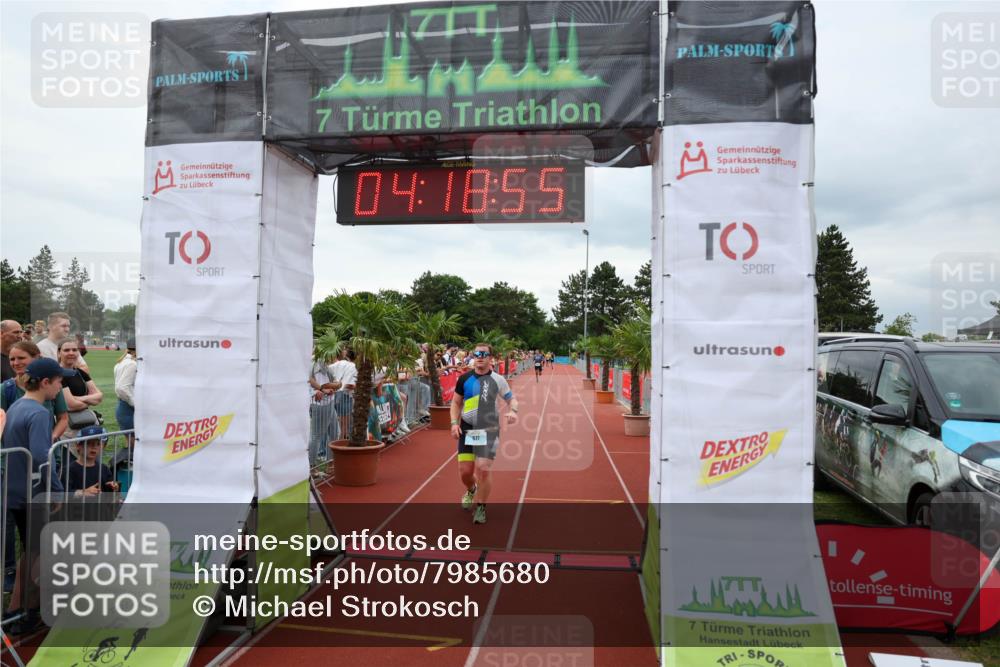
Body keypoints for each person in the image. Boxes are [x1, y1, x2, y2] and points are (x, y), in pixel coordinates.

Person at [1, 357, 72, 634]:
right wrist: (56, 490)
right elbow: (44, 457)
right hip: (34, 494)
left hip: (16, 490)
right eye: (59, 382)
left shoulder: (18, 405)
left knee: (31, 551)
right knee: (40, 553)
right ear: (45, 383)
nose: (61, 386)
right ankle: (29, 611)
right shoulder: (40, 413)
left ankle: (17, 609)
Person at [450, 343, 518, 525]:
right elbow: (456, 403)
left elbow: (512, 399)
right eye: (477, 353)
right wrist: (454, 423)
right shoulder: (464, 379)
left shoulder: (498, 379)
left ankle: (481, 507)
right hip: (467, 429)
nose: (480, 356)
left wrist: (513, 411)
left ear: (490, 358)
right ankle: (471, 489)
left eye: (484, 354)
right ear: (473, 356)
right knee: (465, 472)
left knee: (483, 469)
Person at [1, 341, 70, 441]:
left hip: (49, 452)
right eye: (12, 359)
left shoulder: (49, 385)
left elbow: (63, 418)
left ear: (37, 358)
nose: (16, 363)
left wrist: (51, 438)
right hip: (18, 453)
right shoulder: (5, 389)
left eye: (21, 358)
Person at [57, 337, 103, 436]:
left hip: (85, 422)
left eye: (74, 350)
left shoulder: (81, 372)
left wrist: (78, 398)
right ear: (58, 353)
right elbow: (71, 405)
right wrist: (89, 402)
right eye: (66, 350)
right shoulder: (57, 374)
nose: (71, 353)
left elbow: (99, 397)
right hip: (67, 428)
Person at [65, 425, 119, 496]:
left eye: (98, 444)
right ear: (78, 446)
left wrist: (114, 487)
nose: (94, 447)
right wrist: (82, 492)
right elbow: (62, 494)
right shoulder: (68, 470)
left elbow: (110, 493)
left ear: (104, 446)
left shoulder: (104, 469)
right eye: (88, 443)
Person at [308, 353, 340, 469]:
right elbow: (308, 381)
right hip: (319, 405)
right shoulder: (312, 363)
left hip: (329, 402)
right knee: (316, 436)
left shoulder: (327, 367)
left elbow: (337, 383)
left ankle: (330, 463)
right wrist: (318, 390)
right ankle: (311, 466)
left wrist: (331, 386)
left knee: (335, 432)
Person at [329, 349, 357, 441]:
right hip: (345, 395)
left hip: (333, 394)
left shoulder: (338, 364)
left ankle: (334, 444)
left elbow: (328, 369)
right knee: (343, 424)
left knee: (332, 423)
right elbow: (351, 385)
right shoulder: (353, 366)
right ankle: (340, 443)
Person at [113, 340, 137, 433]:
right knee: (133, 442)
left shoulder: (121, 362)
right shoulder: (132, 364)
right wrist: (135, 404)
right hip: (129, 408)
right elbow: (122, 388)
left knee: (131, 442)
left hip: (123, 406)